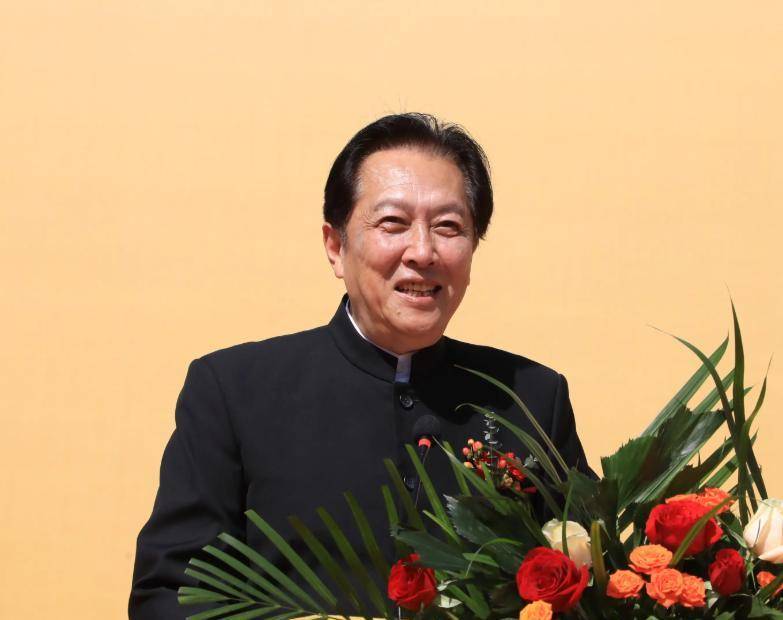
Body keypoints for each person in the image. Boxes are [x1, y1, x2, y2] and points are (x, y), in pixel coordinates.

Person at [129, 113, 592, 618]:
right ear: (336, 246)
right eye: (393, 223)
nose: (423, 251)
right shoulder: (233, 392)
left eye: (449, 227)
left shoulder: (529, 398)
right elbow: (171, 596)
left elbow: (597, 583)